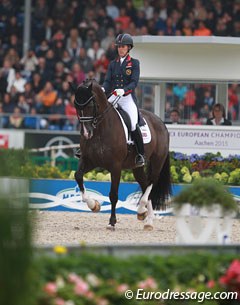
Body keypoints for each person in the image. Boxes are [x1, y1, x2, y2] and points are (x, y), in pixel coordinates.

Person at [102, 33, 145, 167]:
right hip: (114, 95)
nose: (121, 49)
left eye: (123, 47)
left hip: (127, 98)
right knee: (100, 116)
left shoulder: (134, 63)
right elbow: (108, 81)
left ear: (129, 48)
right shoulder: (112, 64)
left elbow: (134, 82)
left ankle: (140, 154)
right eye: (119, 47)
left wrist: (124, 90)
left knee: (132, 124)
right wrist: (103, 89)